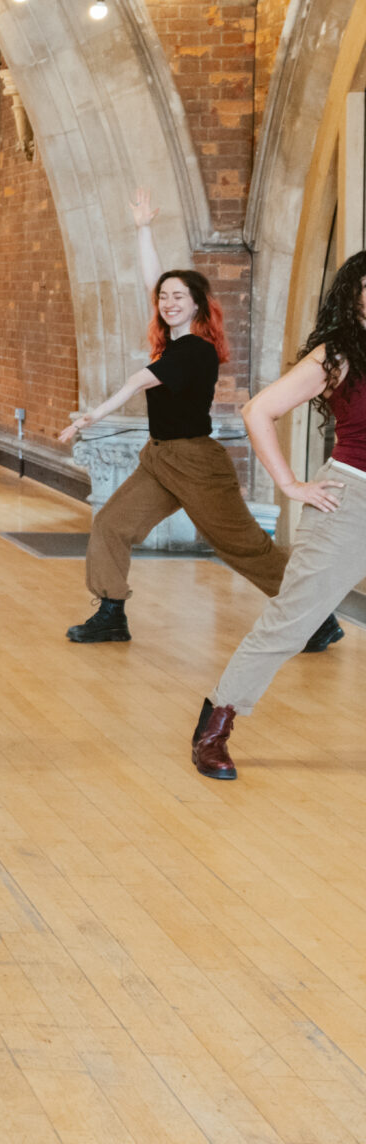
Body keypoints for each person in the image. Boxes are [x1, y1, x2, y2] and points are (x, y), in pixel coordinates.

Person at [57, 189, 340, 651]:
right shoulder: (173, 338)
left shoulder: (196, 352)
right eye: (165, 297)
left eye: (179, 297)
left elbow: (136, 382)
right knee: (112, 524)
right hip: (161, 459)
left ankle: (317, 617)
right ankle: (110, 615)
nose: (168, 302)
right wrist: (143, 229)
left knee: (243, 546)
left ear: (197, 306)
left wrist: (92, 416)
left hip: (196, 463)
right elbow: (156, 282)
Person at [192, 252, 366, 779]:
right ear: (354, 296)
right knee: (292, 621)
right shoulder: (336, 356)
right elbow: (258, 410)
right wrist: (290, 485)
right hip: (350, 501)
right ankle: (215, 725)